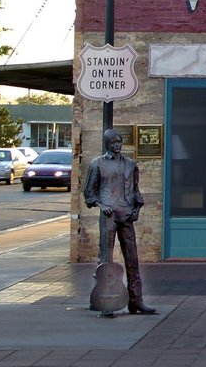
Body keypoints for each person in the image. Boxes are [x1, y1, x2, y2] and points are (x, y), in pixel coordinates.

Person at [84, 129, 156, 316]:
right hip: (109, 215)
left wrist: (136, 209)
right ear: (107, 143)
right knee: (105, 258)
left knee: (132, 259)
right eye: (113, 141)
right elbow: (89, 192)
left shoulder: (131, 164)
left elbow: (135, 191)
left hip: (126, 215)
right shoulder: (97, 163)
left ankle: (136, 300)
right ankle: (104, 301)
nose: (117, 144)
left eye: (119, 141)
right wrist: (101, 205)